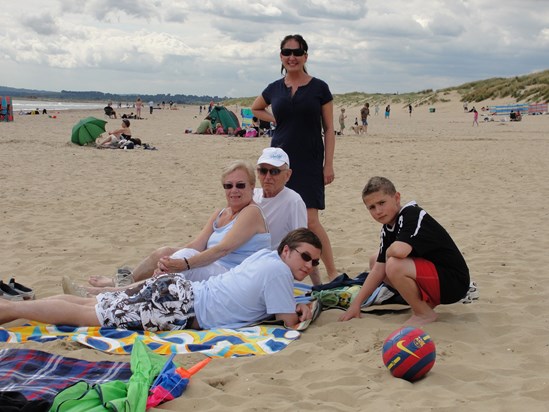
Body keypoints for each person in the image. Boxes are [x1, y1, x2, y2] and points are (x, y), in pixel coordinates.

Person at [0, 229, 322, 331]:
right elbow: (290, 323)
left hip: (177, 291)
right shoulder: (280, 271)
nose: (309, 266)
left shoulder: (266, 258)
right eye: (304, 257)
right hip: (179, 308)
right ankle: (11, 310)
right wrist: (304, 308)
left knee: (90, 303)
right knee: (87, 316)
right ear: (286, 251)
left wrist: (297, 301)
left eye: (314, 262)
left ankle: (11, 309)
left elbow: (269, 299)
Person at [85, 160, 270, 290]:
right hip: (214, 267)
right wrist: (169, 260)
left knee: (180, 262)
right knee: (165, 252)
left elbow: (221, 250)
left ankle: (112, 293)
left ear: (252, 187)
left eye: (240, 185)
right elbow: (196, 245)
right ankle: (123, 283)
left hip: (233, 275)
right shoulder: (222, 213)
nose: (234, 190)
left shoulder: (252, 212)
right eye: (228, 186)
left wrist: (183, 263)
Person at [251, 33, 338, 281]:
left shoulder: (320, 88)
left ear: (305, 56)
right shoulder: (274, 88)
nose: (292, 57)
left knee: (310, 221)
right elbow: (256, 108)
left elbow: (329, 129)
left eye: (297, 52)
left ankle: (331, 274)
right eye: (287, 52)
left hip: (310, 160)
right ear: (281, 56)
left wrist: (328, 164)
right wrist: (275, 118)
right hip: (278, 162)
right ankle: (285, 271)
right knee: (277, 214)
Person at [339, 176, 470, 326]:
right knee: (375, 261)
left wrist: (387, 252)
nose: (378, 211)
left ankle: (424, 313)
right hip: (434, 278)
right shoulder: (387, 227)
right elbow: (377, 270)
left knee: (393, 264)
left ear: (397, 198)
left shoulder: (412, 214)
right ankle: (423, 305)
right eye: (372, 207)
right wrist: (356, 304)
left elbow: (400, 251)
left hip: (454, 281)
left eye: (382, 203)